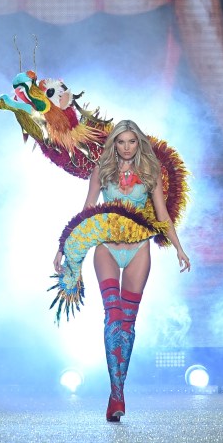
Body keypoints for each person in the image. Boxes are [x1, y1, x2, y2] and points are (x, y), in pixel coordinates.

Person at [53, 120, 190, 422]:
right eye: (121, 141)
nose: (126, 147)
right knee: (112, 316)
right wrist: (64, 246)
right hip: (107, 248)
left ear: (138, 144)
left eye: (131, 142)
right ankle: (116, 395)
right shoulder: (101, 172)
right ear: (114, 144)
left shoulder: (150, 175)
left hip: (139, 248)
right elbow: (87, 211)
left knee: (128, 322)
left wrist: (178, 247)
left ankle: (118, 390)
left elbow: (163, 214)